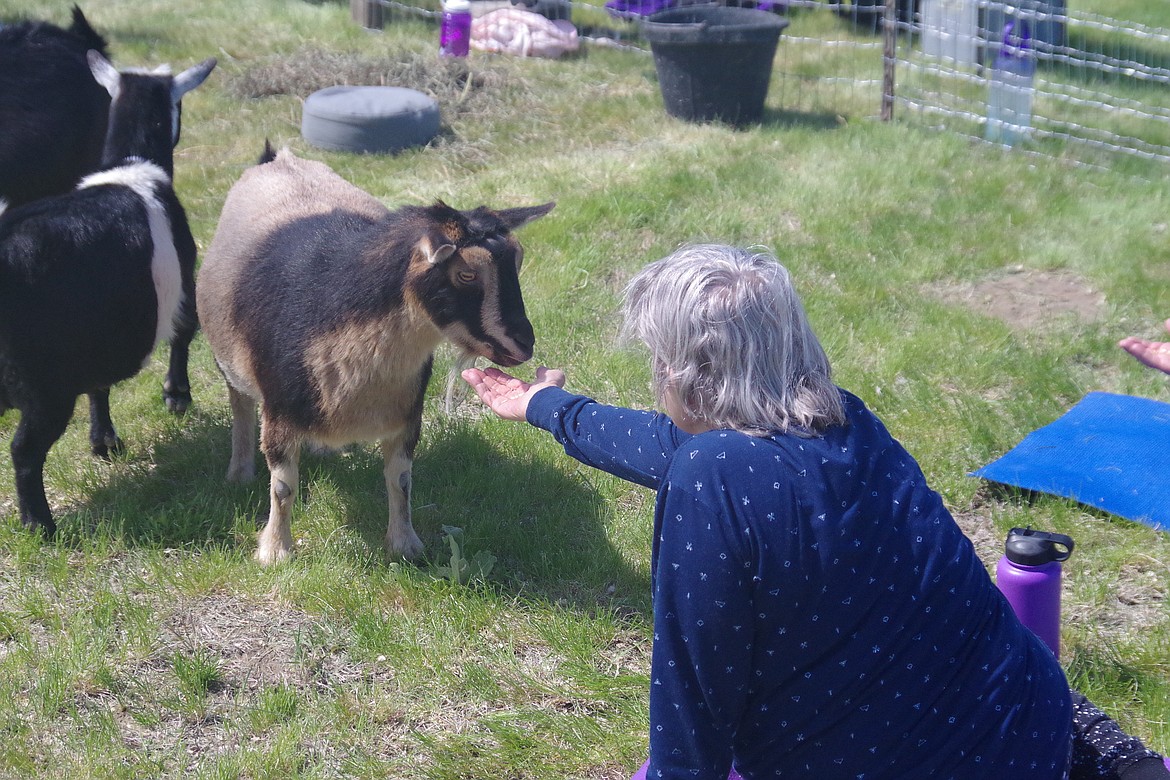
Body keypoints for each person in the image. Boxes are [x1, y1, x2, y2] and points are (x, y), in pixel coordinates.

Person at [463, 244, 1169, 780]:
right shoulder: (844, 422)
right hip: (1030, 730)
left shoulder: (714, 478)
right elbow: (673, 445)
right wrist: (547, 408)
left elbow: (693, 700)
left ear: (681, 374)